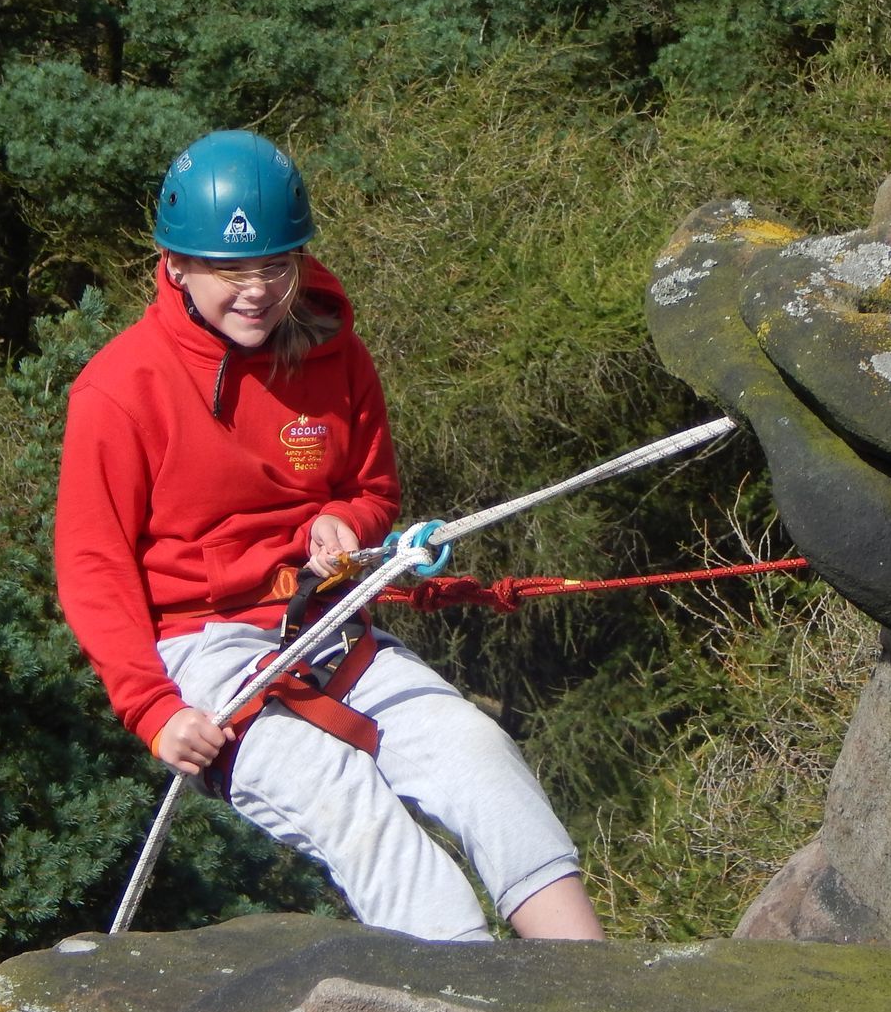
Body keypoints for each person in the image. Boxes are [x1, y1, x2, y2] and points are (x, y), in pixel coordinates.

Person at [55, 129, 604, 942]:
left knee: (476, 752)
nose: (255, 292)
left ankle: (592, 981)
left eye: (274, 267)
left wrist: (343, 521)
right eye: (229, 271)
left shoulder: (333, 356)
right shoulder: (120, 391)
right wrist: (154, 710)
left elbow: (372, 488)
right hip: (202, 650)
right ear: (175, 266)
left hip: (323, 621)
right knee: (353, 806)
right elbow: (94, 568)